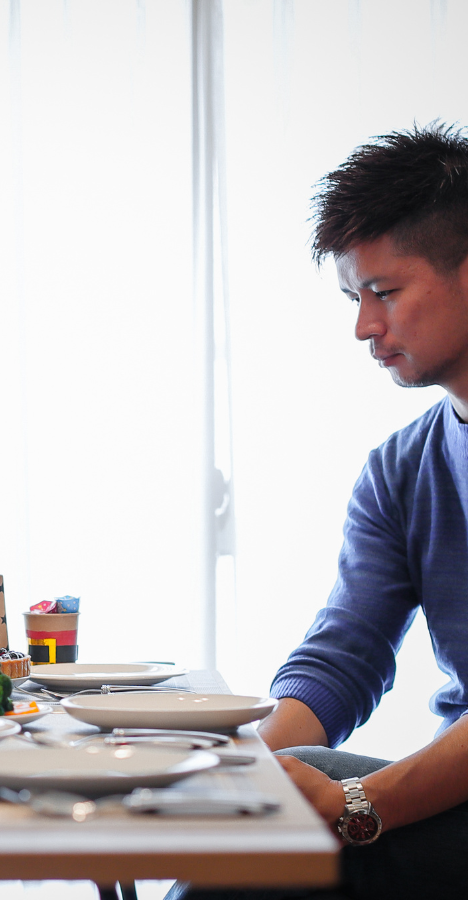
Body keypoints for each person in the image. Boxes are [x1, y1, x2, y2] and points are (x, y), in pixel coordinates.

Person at [171, 123, 468, 900]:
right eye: (353, 297)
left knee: (245, 872)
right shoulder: (402, 468)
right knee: (241, 820)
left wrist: (359, 804)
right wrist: (250, 771)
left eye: (385, 292)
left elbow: (358, 801)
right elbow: (349, 651)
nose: (365, 327)